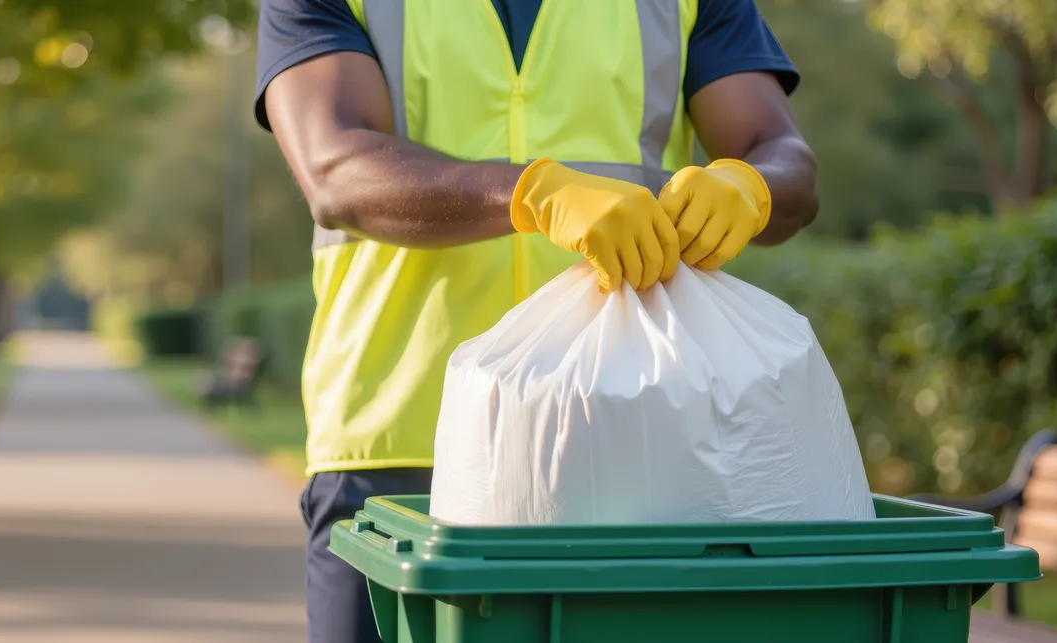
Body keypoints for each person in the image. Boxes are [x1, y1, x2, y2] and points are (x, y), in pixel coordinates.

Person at [255, 1, 818, 641]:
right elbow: (333, 168)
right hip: (398, 445)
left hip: (630, 438)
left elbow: (784, 155)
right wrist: (531, 192)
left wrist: (750, 185)